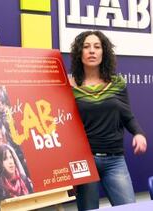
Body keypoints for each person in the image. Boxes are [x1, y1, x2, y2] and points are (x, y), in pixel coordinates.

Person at [69, 30, 147, 210]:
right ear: (79, 52)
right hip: (84, 161)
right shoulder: (69, 86)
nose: (92, 51)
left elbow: (128, 115)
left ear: (103, 52)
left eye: (97, 47)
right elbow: (66, 126)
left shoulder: (117, 83)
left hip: (115, 160)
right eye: (86, 47)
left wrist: (139, 133)